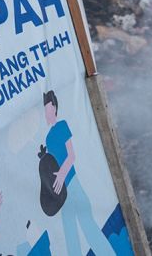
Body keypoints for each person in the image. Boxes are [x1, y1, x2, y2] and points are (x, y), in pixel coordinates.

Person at [43, 90, 116, 256]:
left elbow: (71, 156)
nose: (47, 113)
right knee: (70, 235)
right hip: (60, 192)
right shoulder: (47, 137)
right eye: (45, 110)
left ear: (54, 108)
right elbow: (53, 160)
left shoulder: (62, 126)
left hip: (72, 184)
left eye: (48, 109)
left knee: (88, 226)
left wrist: (62, 174)